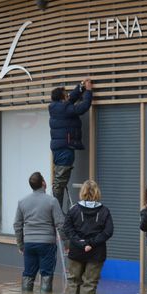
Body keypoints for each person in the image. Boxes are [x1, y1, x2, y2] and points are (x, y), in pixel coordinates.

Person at [14, 172, 65, 293]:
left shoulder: (22, 202)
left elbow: (17, 225)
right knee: (46, 275)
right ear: (43, 183)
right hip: (47, 244)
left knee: (28, 274)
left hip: (29, 243)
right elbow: (60, 224)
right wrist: (67, 244)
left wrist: (21, 245)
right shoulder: (52, 201)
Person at [62, 180, 114, 294]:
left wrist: (81, 243)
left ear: (82, 192)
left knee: (72, 282)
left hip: (76, 251)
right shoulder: (104, 211)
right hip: (97, 252)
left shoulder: (73, 209)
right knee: (90, 283)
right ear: (97, 193)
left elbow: (67, 229)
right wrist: (91, 243)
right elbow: (108, 232)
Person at [49, 79, 94, 208]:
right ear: (62, 97)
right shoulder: (64, 108)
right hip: (64, 148)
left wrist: (80, 87)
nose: (68, 95)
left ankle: (56, 208)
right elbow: (83, 106)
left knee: (59, 179)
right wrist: (88, 91)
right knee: (60, 181)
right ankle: (56, 211)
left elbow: (70, 99)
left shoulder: (56, 107)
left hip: (60, 147)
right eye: (66, 94)